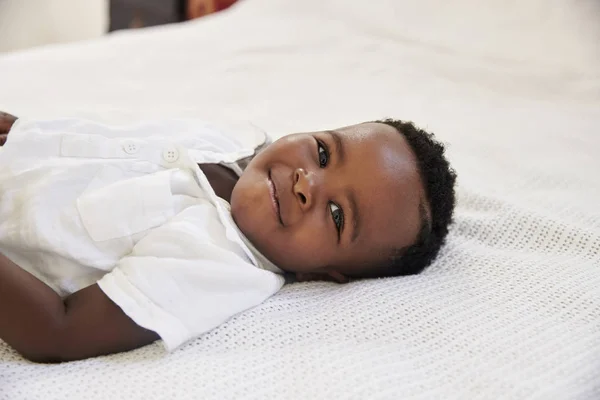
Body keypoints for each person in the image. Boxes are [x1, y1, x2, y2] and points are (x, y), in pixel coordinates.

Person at [0, 111, 456, 363]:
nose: (306, 182)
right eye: (322, 151)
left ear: (327, 273)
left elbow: (57, 332)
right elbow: (104, 143)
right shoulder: (226, 142)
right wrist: (24, 131)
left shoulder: (219, 262)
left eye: (337, 215)